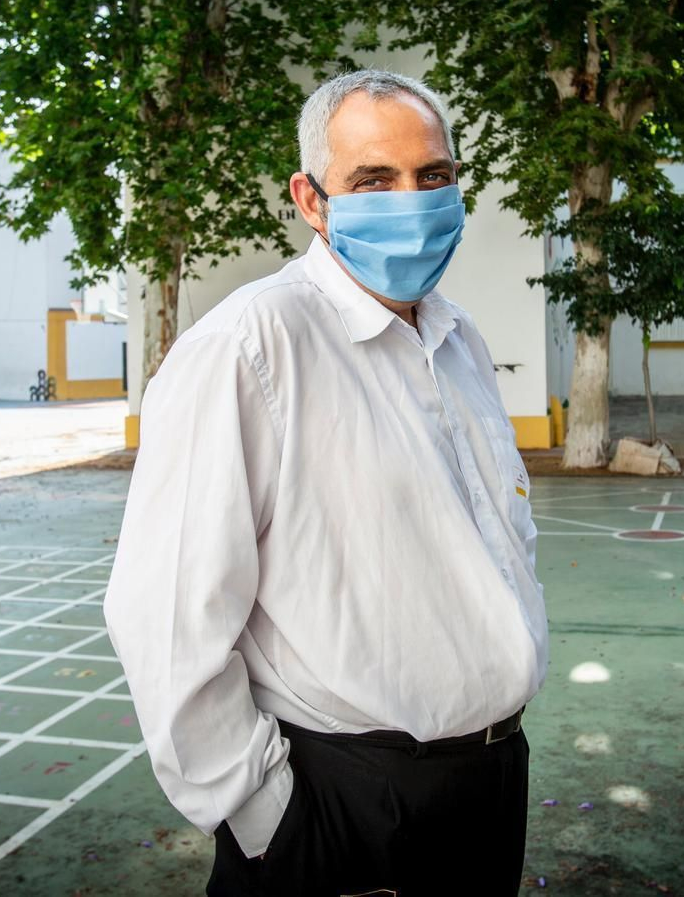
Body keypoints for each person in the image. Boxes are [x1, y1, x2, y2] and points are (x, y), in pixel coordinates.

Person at [104, 69, 548, 896]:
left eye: (434, 177)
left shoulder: (460, 340)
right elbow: (166, 620)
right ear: (312, 200)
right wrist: (270, 821)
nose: (412, 199)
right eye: (375, 181)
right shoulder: (248, 347)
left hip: (487, 783)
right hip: (342, 804)